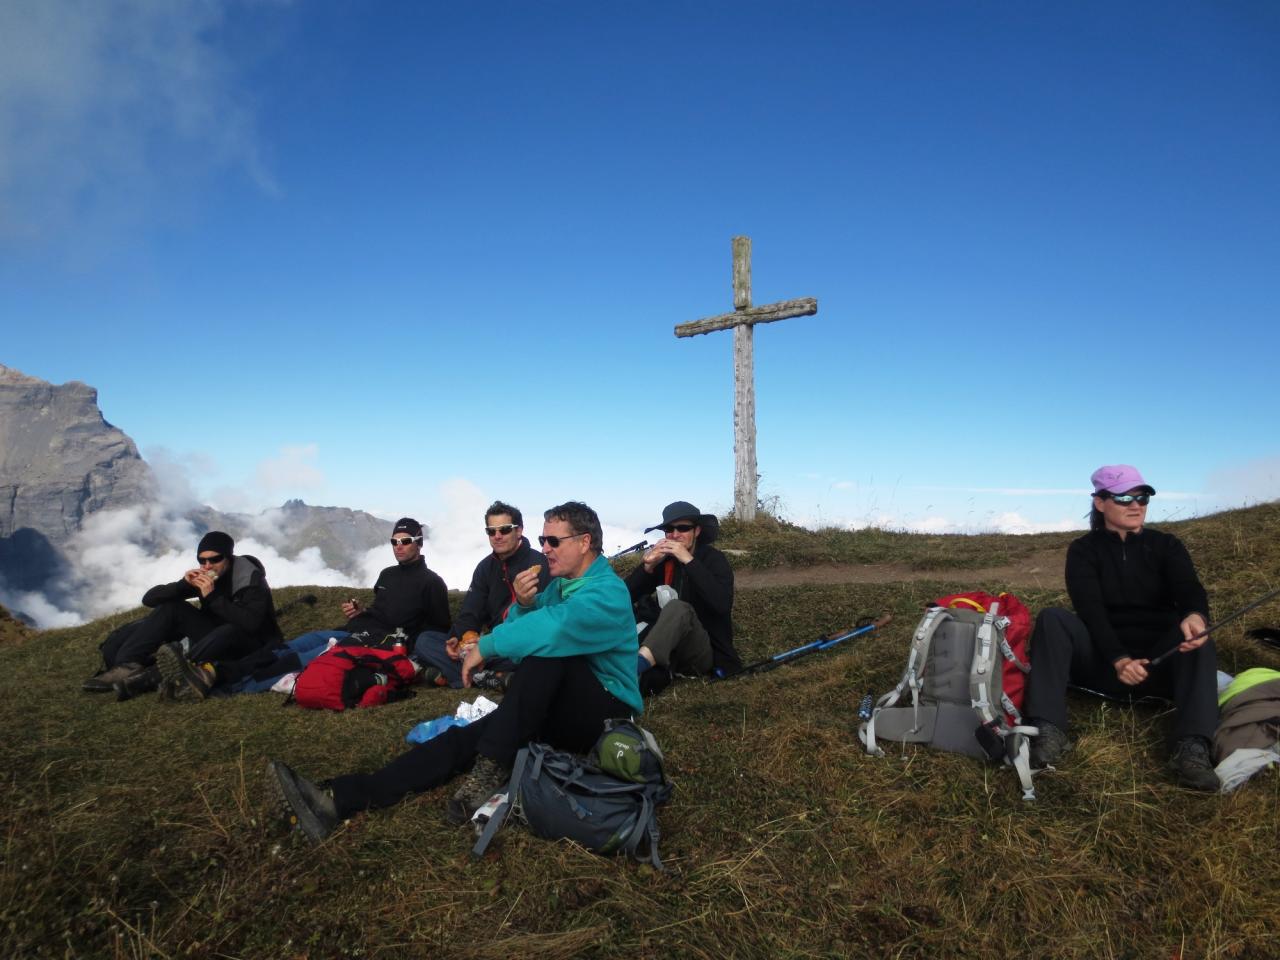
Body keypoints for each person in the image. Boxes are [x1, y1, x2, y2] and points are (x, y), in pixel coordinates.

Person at [268, 501, 642, 840]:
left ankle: (493, 764)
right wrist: (525, 604)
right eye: (543, 539)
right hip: (559, 701)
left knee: (548, 656)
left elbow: (554, 630)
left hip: (607, 710)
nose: (544, 548)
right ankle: (340, 798)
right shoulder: (564, 585)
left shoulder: (607, 592)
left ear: (585, 541)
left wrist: (485, 646)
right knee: (470, 737)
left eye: (553, 541)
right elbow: (517, 620)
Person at [1024, 465, 1220, 791]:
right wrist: (1118, 659)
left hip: (1159, 662)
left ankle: (1192, 747)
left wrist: (1195, 615)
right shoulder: (1084, 550)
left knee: (1198, 637)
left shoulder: (1166, 545)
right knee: (1052, 618)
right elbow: (1090, 611)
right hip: (1102, 664)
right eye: (1124, 497)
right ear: (1100, 503)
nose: (1136, 505)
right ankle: (1048, 728)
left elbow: (1188, 588)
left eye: (1142, 497)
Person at [161, 518, 450, 699]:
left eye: (406, 541)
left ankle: (220, 686)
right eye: (394, 541)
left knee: (296, 662)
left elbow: (437, 629)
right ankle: (208, 671)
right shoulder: (387, 574)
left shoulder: (432, 582)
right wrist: (360, 612)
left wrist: (407, 650)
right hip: (350, 630)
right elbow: (382, 608)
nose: (398, 546)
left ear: (419, 543)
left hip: (373, 643)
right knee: (283, 649)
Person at [83, 531, 281, 698]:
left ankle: (156, 675)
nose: (208, 565)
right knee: (171, 609)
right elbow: (149, 599)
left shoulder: (249, 578)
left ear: (228, 557)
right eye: (202, 560)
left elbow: (251, 623)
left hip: (252, 642)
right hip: (213, 635)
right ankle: (127, 666)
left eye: (215, 559)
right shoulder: (206, 577)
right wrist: (183, 585)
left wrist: (212, 598)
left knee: (228, 631)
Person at [413, 501, 550, 688]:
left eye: (504, 530)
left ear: (519, 531)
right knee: (425, 640)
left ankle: (469, 673)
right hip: (488, 646)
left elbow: (538, 620)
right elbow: (471, 611)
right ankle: (489, 677)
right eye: (491, 531)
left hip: (516, 643)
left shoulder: (538, 564)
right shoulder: (485, 567)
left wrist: (486, 646)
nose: (497, 536)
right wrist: (456, 639)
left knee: (531, 654)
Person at [625, 500, 740, 684]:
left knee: (678, 608)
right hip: (670, 649)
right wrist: (647, 567)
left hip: (703, 650)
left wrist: (689, 561)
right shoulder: (665, 562)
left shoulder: (714, 560)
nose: (675, 535)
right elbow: (624, 597)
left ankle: (633, 669)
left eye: (683, 528)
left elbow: (721, 605)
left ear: (697, 531)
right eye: (669, 529)